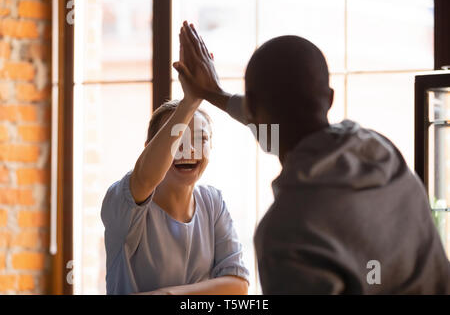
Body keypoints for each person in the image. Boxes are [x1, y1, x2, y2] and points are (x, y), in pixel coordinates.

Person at [173, 21, 450, 294]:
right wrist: (214, 94)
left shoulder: (285, 234)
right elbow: (281, 127)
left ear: (254, 107)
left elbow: (275, 127)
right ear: (329, 99)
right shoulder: (379, 151)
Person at [100, 63, 250, 294]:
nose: (189, 151)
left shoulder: (212, 201)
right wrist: (189, 102)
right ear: (150, 149)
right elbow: (145, 178)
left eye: (200, 139)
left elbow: (237, 286)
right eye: (177, 141)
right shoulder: (122, 201)